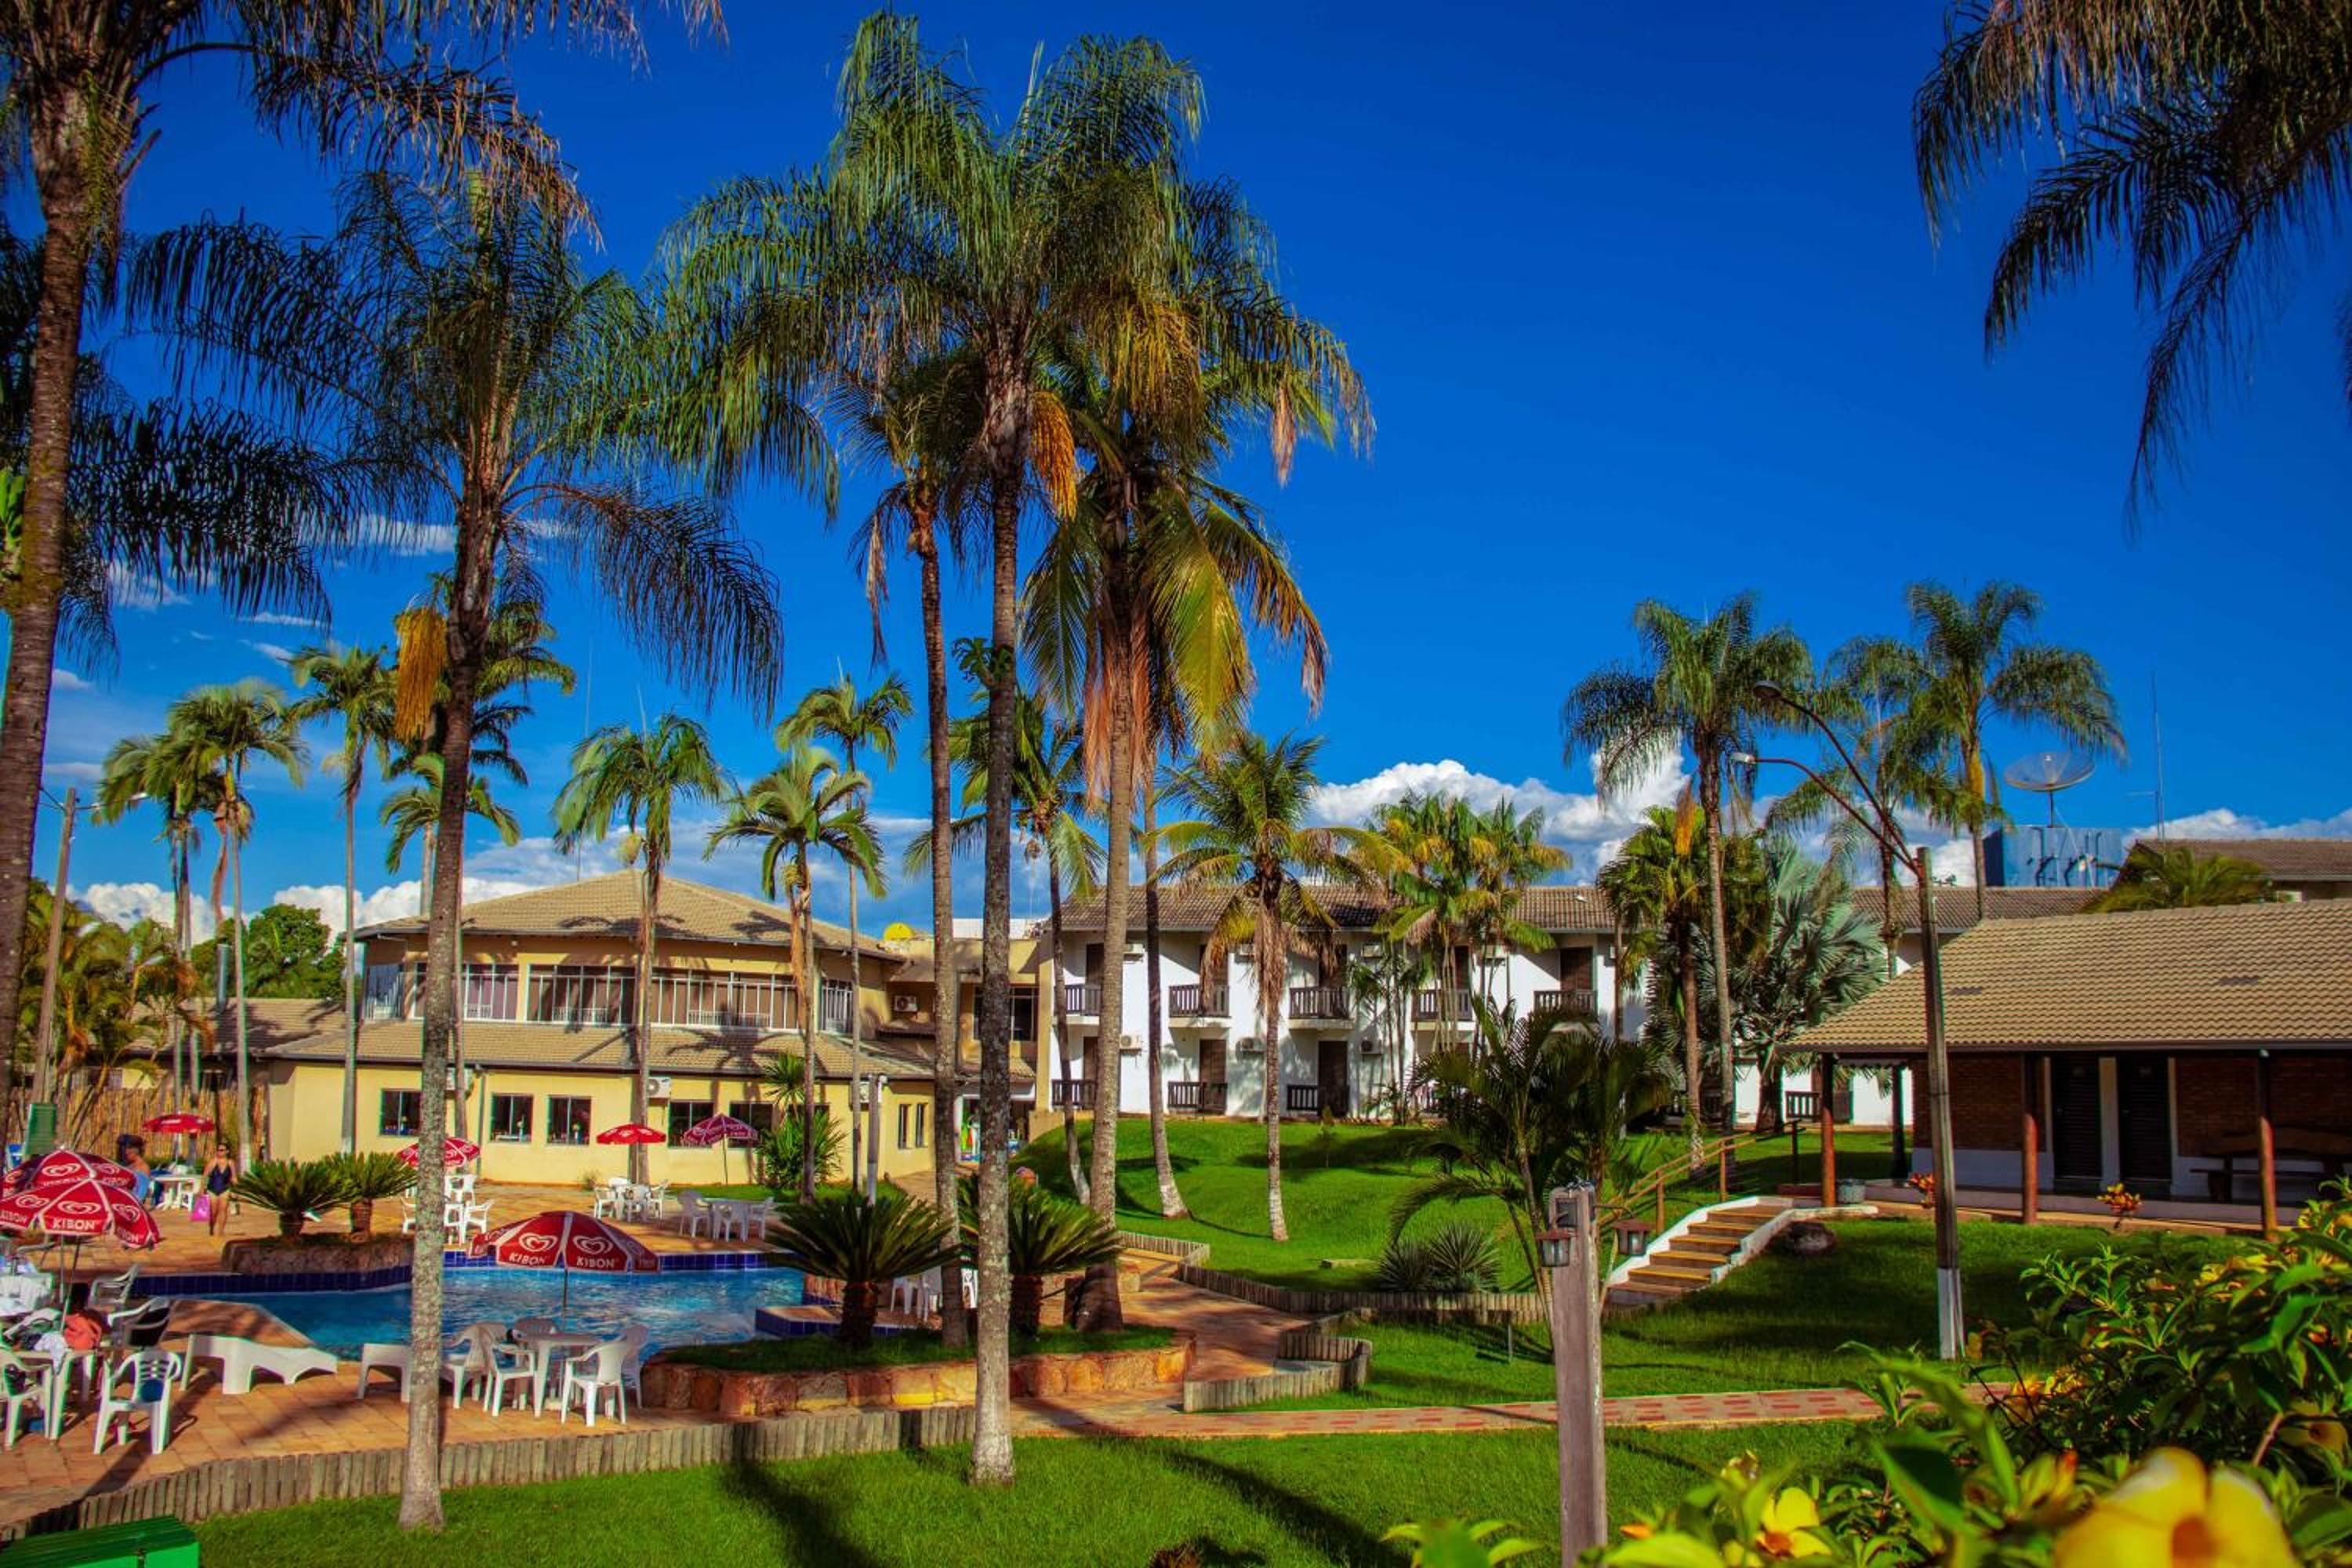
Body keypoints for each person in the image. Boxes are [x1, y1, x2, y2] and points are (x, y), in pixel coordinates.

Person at [202, 1145, 234, 1236]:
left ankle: (221, 1231)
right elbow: (205, 1176)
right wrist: (201, 1189)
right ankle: (212, 1227)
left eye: (222, 1150)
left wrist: (236, 1189)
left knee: (223, 1210)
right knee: (214, 1212)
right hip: (212, 1189)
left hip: (225, 1189)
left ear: (227, 1151)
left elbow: (234, 1177)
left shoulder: (230, 1163)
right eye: (218, 1150)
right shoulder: (212, 1163)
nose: (219, 1152)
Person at [124, 1139, 153, 1207]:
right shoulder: (131, 1166)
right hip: (128, 1197)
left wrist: (137, 1202)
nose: (126, 1157)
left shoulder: (144, 1167)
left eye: (128, 1154)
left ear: (134, 1153)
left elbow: (143, 1188)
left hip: (135, 1200)